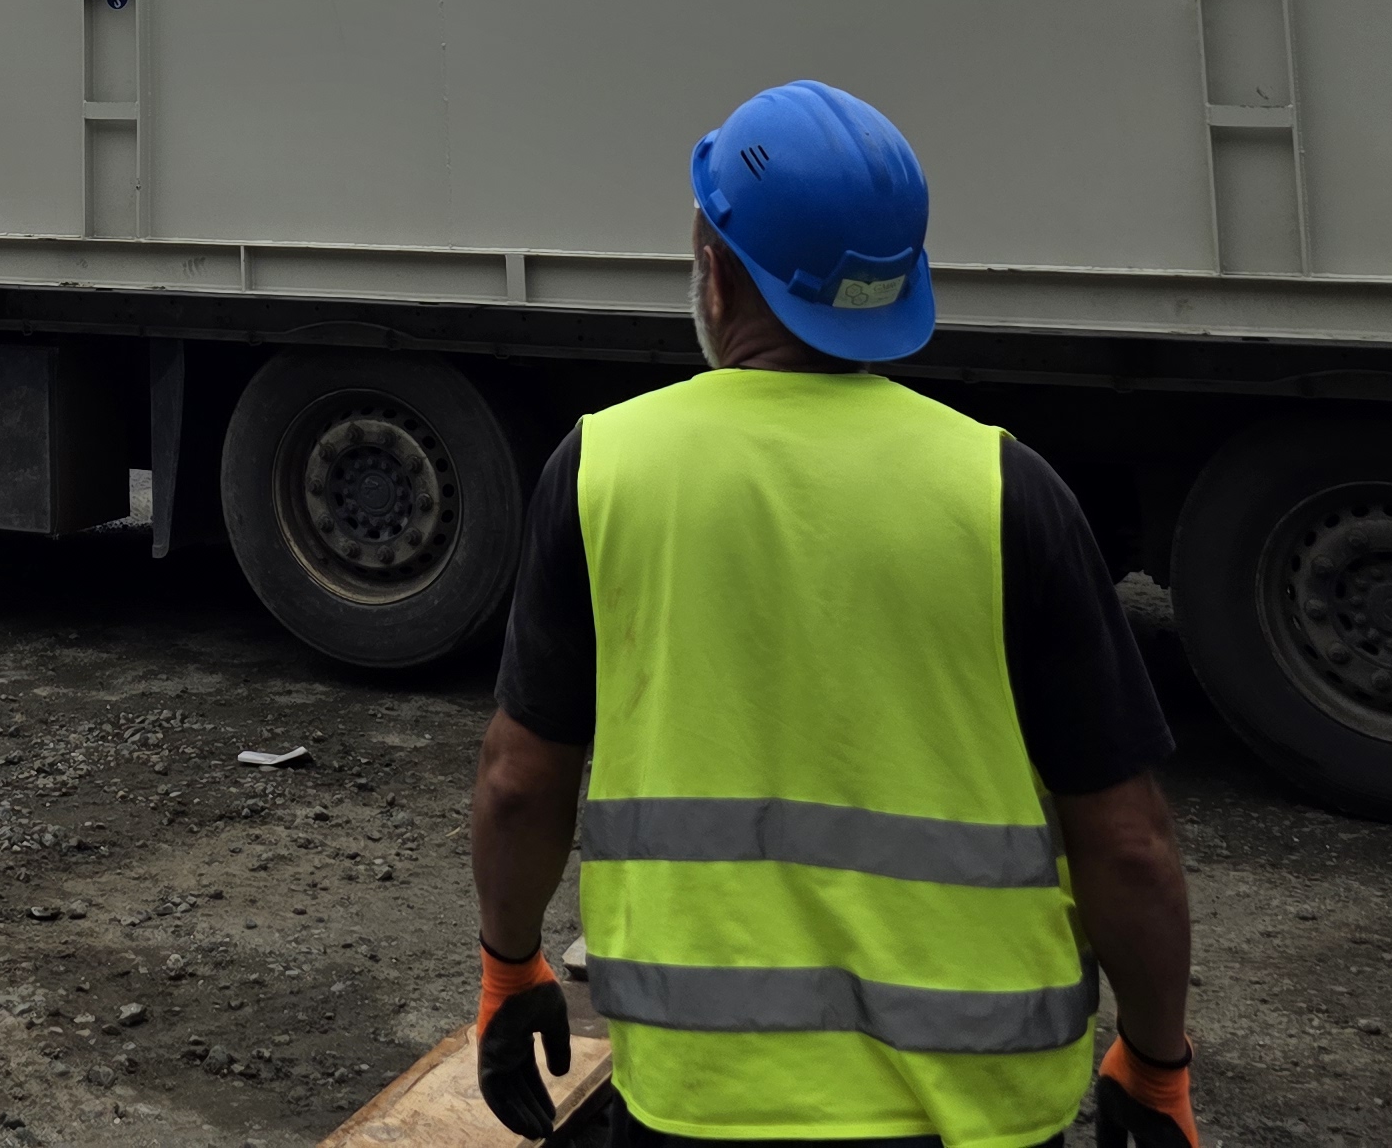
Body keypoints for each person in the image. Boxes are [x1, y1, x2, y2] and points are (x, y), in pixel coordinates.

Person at [466, 80, 1200, 1148]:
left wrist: (510, 963)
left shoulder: (604, 469)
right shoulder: (1005, 487)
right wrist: (1156, 1057)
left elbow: (519, 783)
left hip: (703, 1095)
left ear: (713, 271)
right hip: (984, 1103)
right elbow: (1127, 842)